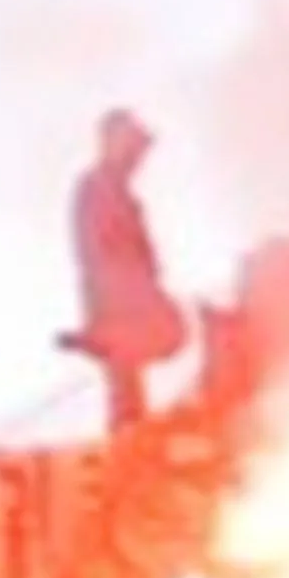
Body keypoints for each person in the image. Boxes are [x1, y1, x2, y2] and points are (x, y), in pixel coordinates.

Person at [62, 108, 186, 430]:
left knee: (130, 386)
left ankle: (133, 435)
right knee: (126, 388)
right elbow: (105, 259)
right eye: (133, 147)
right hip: (118, 311)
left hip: (124, 311)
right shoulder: (97, 191)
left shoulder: (114, 192)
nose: (138, 158)